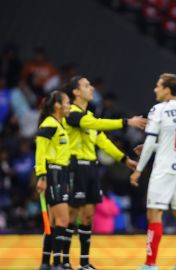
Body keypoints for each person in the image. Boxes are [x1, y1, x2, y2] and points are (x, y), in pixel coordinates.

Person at [62, 76, 146, 270]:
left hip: (91, 169)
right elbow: (97, 125)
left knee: (88, 217)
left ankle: (83, 263)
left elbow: (103, 141)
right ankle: (64, 261)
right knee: (72, 214)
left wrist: (126, 161)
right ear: (75, 92)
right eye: (86, 85)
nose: (91, 88)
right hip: (76, 167)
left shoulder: (88, 116)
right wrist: (127, 122)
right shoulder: (72, 113)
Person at [130, 73, 176, 270]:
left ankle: (150, 264)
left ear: (166, 89)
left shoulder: (159, 109)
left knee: (154, 213)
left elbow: (150, 141)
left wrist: (138, 169)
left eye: (158, 86)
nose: (155, 89)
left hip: (163, 169)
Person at [35, 91, 71, 270]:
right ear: (57, 105)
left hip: (61, 173)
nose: (69, 106)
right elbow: (40, 153)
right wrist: (41, 177)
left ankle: (45, 263)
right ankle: (57, 264)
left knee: (53, 222)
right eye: (66, 102)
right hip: (53, 173)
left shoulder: (60, 124)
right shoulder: (49, 124)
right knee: (62, 221)